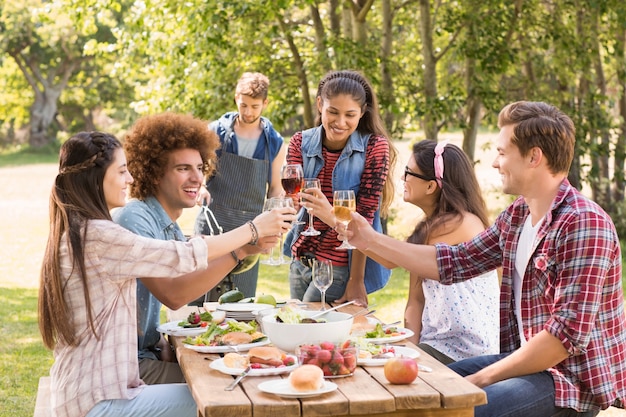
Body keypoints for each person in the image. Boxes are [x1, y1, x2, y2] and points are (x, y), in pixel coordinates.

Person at [338, 101, 626, 416]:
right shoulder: (518, 215)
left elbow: (562, 339)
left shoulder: (584, 224)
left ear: (534, 157)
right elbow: (455, 262)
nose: (493, 163)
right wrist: (368, 238)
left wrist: (480, 379)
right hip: (529, 363)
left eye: (502, 153)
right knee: (421, 388)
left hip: (569, 380)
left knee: (459, 406)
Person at [38, 131, 294, 417]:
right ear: (95, 178)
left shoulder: (82, 229)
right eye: (122, 171)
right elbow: (180, 258)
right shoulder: (100, 235)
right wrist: (252, 229)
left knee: (224, 388)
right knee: (227, 401)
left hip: (95, 391)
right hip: (99, 401)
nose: (130, 179)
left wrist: (246, 246)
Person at [111, 112, 269, 385]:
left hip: (147, 354)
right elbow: (174, 293)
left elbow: (193, 261)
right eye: (183, 168)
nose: (197, 178)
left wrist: (246, 248)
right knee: (227, 386)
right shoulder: (134, 218)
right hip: (125, 368)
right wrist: (242, 247)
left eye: (200, 167)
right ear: (155, 172)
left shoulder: (166, 224)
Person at [284, 69, 397, 307]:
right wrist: (290, 205)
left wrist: (357, 279)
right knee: (297, 332)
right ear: (319, 105)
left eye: (350, 115)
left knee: (310, 329)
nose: (340, 122)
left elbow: (363, 222)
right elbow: (292, 199)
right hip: (300, 260)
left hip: (338, 266)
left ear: (362, 113)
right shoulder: (299, 142)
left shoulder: (375, 148)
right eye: (333, 112)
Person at [399, 139, 500, 364]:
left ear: (430, 186)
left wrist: (335, 218)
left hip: (465, 350)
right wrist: (409, 353)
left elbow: (389, 257)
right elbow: (415, 302)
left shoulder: (462, 222)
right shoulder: (431, 228)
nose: (402, 178)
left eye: (408, 172)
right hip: (436, 344)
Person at [192, 72, 286, 303]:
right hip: (212, 224)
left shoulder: (274, 142)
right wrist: (201, 186)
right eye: (243, 105)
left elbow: (275, 189)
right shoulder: (216, 132)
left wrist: (273, 223)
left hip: (250, 232)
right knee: (197, 298)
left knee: (239, 303)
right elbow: (198, 169)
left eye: (255, 106)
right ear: (236, 98)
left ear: (265, 103)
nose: (248, 112)